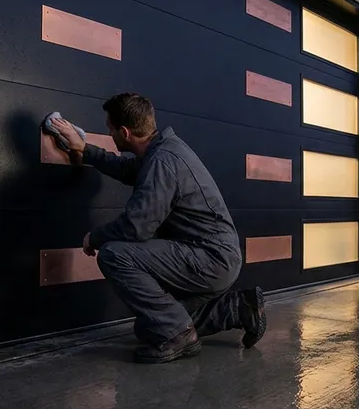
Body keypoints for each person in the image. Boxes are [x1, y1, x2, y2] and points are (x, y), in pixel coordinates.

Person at [46, 93, 265, 364]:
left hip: (209, 259)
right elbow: (127, 168)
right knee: (150, 326)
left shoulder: (162, 160)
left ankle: (179, 336)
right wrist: (85, 149)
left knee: (114, 254)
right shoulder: (164, 151)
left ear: (124, 132)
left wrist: (95, 237)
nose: (109, 132)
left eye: (110, 128)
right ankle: (239, 309)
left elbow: (136, 228)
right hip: (214, 257)